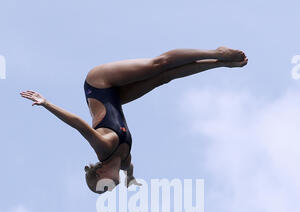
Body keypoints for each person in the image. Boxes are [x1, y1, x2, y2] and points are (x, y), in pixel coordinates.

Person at [20, 47, 248, 194]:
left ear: (100, 173)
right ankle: (220, 63)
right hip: (116, 96)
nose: (110, 189)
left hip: (99, 83)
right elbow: (129, 170)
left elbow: (78, 124)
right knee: (163, 78)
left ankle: (216, 52)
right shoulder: (125, 160)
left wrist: (46, 103)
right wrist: (130, 179)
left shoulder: (104, 147)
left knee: (158, 65)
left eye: (105, 188)